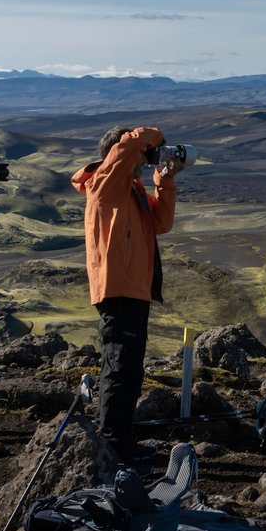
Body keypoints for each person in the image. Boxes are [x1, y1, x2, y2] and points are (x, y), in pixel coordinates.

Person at [70, 125, 178, 449]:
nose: (144, 161)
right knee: (120, 369)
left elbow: (162, 223)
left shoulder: (130, 191)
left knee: (128, 369)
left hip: (134, 289)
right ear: (118, 154)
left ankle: (118, 438)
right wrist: (154, 136)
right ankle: (114, 442)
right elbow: (129, 145)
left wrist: (165, 179)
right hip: (118, 289)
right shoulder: (105, 185)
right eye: (141, 156)